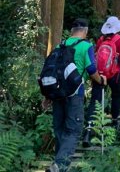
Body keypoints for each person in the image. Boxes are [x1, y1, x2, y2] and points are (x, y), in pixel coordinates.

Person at [43, 18, 106, 172]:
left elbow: (52, 70)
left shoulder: (60, 45)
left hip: (57, 93)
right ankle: (59, 165)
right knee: (74, 130)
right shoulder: (86, 46)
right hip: (75, 93)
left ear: (71, 31)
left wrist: (47, 96)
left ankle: (58, 165)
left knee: (60, 128)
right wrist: (101, 80)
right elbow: (91, 69)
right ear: (85, 31)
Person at [83, 16, 120, 145]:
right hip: (115, 74)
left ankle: (88, 131)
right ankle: (114, 122)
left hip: (100, 75)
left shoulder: (101, 39)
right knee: (116, 96)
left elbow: (96, 55)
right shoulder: (119, 39)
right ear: (117, 28)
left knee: (95, 100)